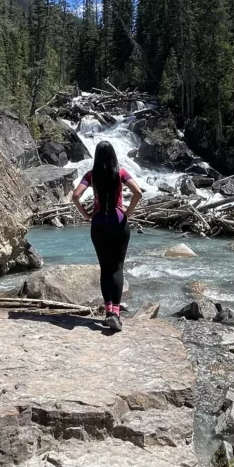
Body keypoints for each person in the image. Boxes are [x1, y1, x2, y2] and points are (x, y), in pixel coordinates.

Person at [71, 141, 143, 331]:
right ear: (113, 156)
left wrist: (86, 215)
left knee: (105, 268)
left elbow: (75, 196)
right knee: (117, 268)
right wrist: (128, 212)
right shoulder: (121, 173)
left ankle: (108, 311)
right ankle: (116, 315)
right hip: (118, 222)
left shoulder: (91, 175)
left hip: (99, 224)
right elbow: (138, 192)